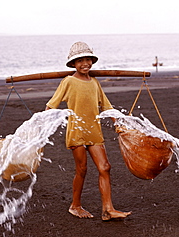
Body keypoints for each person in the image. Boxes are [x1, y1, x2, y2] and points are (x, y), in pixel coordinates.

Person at [45, 42, 131, 221]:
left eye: (88, 60)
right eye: (80, 61)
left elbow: (106, 106)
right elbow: (52, 104)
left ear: (92, 61)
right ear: (73, 64)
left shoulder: (95, 83)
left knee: (105, 167)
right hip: (76, 131)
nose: (85, 64)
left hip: (94, 131)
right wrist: (41, 126)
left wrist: (118, 123)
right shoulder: (68, 81)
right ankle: (75, 205)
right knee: (82, 169)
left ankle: (108, 209)